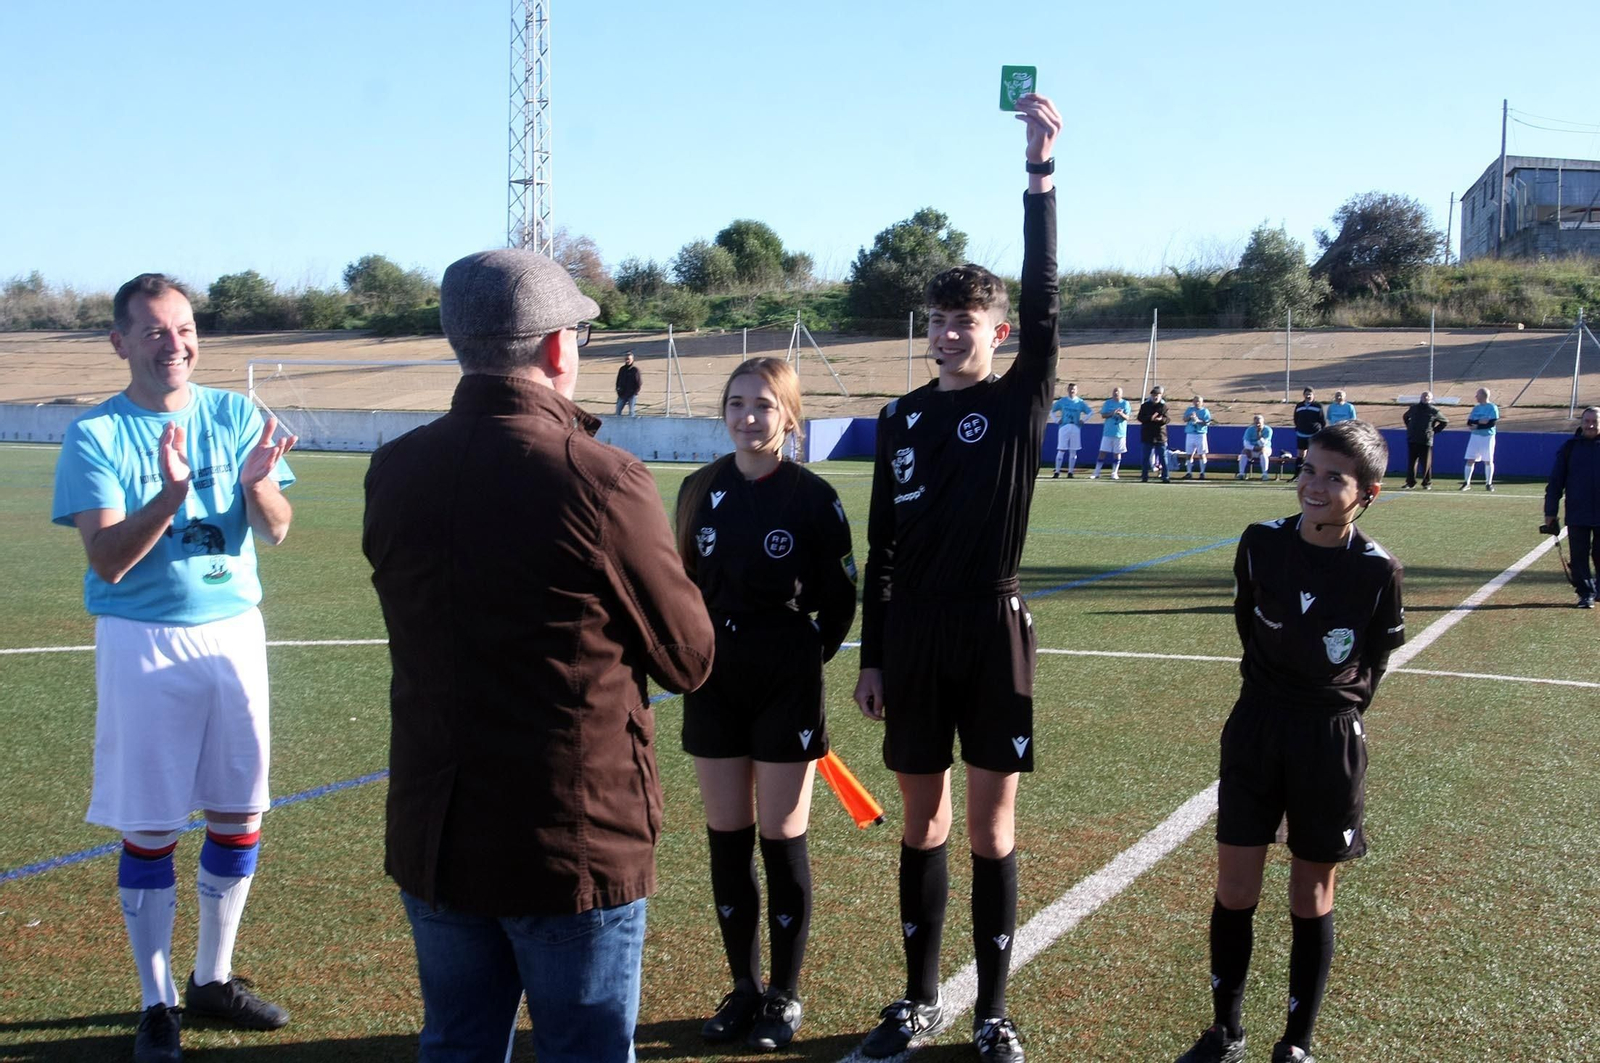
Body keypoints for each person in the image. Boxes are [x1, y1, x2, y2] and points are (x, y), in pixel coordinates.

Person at [363, 249, 715, 1063]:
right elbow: (688, 659)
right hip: (570, 835)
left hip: (438, 826)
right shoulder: (601, 479)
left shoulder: (396, 469)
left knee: (456, 1043)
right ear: (557, 348)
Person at [853, 91, 1061, 1063]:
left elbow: (1046, 291)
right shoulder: (897, 419)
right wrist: (872, 652)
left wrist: (1038, 174)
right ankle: (916, 996)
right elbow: (880, 542)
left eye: (968, 321)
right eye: (940, 320)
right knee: (921, 817)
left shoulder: (1018, 402)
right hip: (914, 632)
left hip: (990, 627)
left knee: (988, 822)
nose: (950, 334)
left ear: (1000, 332)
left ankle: (993, 1011)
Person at [51, 273, 297, 1063]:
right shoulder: (94, 435)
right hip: (143, 640)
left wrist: (259, 482)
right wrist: (168, 496)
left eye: (184, 328)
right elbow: (110, 561)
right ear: (120, 341)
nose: (175, 343)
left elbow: (280, 529)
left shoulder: (235, 414)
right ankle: (157, 1001)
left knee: (239, 811)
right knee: (152, 824)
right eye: (154, 331)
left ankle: (212, 979)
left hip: (235, 635)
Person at [1174, 419, 1405, 1063]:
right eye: (1309, 469)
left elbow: (1375, 660)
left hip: (1328, 740)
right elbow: (1250, 622)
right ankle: (1227, 1029)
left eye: (1336, 477)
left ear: (1368, 492)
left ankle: (1296, 1043)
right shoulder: (1258, 543)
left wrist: (1335, 717)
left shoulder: (1378, 570)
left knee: (1311, 892)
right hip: (1256, 726)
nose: (1315, 485)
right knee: (1236, 888)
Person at [674, 358, 858, 1051]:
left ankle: (784, 993)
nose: (748, 417)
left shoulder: (813, 497)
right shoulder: (698, 490)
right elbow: (681, 584)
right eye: (736, 404)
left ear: (789, 416)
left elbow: (840, 603)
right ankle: (742, 986)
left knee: (781, 838)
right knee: (727, 839)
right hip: (713, 680)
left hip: (785, 680)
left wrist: (801, 656)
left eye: (763, 405)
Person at [1541, 406, 1600, 608]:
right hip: (1577, 512)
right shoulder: (1570, 448)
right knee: (1579, 556)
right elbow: (1556, 481)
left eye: (1595, 421)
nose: (1591, 425)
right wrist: (1550, 512)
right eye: (1587, 421)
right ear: (1581, 423)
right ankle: (1586, 594)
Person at [1401, 391, 1448, 490]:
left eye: (1428, 396)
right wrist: (1410, 427)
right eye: (1424, 396)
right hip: (1412, 438)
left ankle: (1426, 483)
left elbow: (1444, 421)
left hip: (1426, 440)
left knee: (1426, 463)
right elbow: (1405, 417)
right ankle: (1410, 482)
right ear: (1420, 397)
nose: (1425, 398)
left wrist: (1433, 431)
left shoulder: (1434, 411)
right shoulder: (1414, 408)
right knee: (1412, 462)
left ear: (1431, 399)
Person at [1050, 381, 1094, 478]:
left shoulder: (1080, 402)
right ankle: (1057, 472)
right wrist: (1056, 420)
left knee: (1073, 451)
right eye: (1070, 389)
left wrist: (1083, 420)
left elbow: (1090, 412)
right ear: (1067, 390)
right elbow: (1051, 410)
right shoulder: (1062, 401)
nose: (1072, 391)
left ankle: (1070, 472)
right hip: (1064, 427)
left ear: (1077, 390)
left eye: (1074, 389)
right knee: (1061, 449)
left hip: (1075, 427)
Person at [1461, 387, 1499, 491]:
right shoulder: (1476, 408)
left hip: (1487, 436)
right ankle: (1467, 483)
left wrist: (1477, 425)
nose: (1476, 397)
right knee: (1470, 459)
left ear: (1483, 395)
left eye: (1477, 395)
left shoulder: (1492, 407)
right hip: (1475, 436)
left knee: (1488, 460)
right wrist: (1480, 422)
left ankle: (1489, 483)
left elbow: (1492, 423)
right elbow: (1469, 422)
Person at [1092, 386, 1132, 480]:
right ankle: (1096, 472)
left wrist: (1121, 414)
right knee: (1102, 452)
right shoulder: (1108, 403)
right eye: (1114, 391)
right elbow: (1103, 415)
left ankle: (1114, 473)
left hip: (1120, 433)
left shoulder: (1125, 403)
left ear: (1121, 394)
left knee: (1117, 453)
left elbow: (1127, 417)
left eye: (1118, 392)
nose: (1116, 393)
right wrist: (1112, 413)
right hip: (1108, 432)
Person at [1138, 385, 1173, 484]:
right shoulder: (1145, 406)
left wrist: (1160, 419)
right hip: (1147, 435)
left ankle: (1165, 476)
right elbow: (1140, 418)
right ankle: (1144, 476)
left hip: (1160, 436)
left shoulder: (1164, 407)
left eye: (1157, 395)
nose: (1155, 397)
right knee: (1145, 458)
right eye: (1154, 395)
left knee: (1163, 458)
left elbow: (1167, 419)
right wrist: (1150, 418)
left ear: (1160, 396)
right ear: (1151, 396)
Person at [1291, 387, 1325, 477]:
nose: (1308, 396)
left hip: (1314, 435)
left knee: (1314, 454)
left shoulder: (1318, 406)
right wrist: (1299, 427)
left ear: (1313, 395)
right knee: (1300, 454)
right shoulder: (1299, 406)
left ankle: (1315, 475)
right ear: (1304, 395)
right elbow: (1296, 418)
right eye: (1306, 394)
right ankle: (1297, 475)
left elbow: (1322, 421)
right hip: (1301, 434)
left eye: (1310, 394)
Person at [1181, 394, 1214, 480]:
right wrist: (1190, 417)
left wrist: (1198, 421)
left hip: (1200, 434)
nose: (1196, 403)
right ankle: (1189, 472)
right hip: (1190, 434)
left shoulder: (1205, 411)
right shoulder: (1190, 409)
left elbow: (1207, 423)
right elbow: (1184, 419)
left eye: (1198, 401)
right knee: (1189, 454)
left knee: (1201, 454)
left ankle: (1202, 473)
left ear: (1202, 402)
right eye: (1195, 401)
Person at [1237, 416, 1273, 481]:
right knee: (1244, 451)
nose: (1257, 425)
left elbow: (1263, 444)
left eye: (1259, 423)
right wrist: (1253, 448)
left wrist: (1259, 434)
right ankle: (1241, 474)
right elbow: (1246, 443)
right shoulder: (1249, 430)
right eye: (1256, 423)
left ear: (1263, 422)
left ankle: (1265, 474)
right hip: (1253, 449)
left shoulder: (1268, 430)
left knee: (1263, 451)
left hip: (1265, 449)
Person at [615, 351, 642, 416]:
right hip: (622, 394)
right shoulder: (622, 369)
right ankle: (618, 424)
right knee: (618, 410)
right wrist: (618, 389)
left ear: (632, 360)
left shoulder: (635, 370)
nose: (627, 361)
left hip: (631, 395)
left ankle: (632, 424)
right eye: (626, 359)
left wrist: (635, 392)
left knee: (631, 412)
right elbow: (618, 380)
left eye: (629, 359)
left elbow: (638, 382)